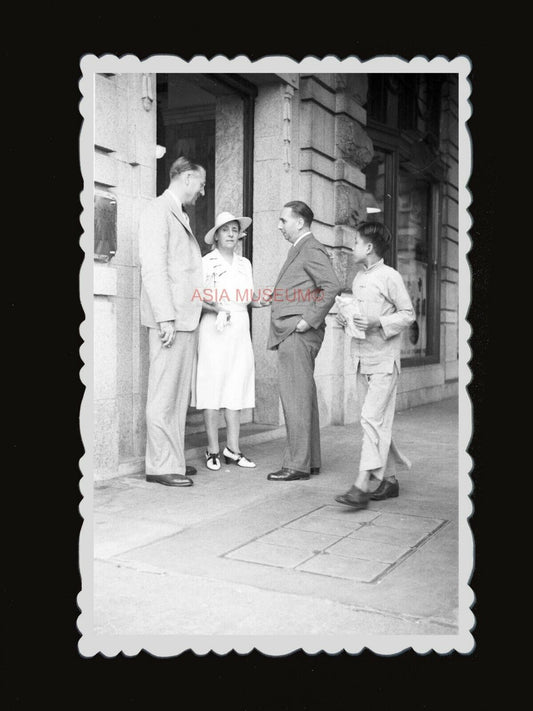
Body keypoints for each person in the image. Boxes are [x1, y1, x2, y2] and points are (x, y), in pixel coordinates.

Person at [335, 221, 415, 510]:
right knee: (376, 422)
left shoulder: (390, 276)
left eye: (356, 242)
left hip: (383, 361)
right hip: (361, 359)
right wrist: (346, 319)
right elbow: (357, 315)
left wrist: (377, 322)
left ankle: (360, 485)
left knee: (370, 419)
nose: (352, 247)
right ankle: (390, 479)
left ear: (368, 248)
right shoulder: (358, 278)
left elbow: (408, 314)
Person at [138, 156, 206, 487]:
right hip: (171, 320)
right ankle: (160, 465)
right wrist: (165, 317)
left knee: (177, 396)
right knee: (165, 393)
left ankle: (172, 459)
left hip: (184, 318)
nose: (203, 192)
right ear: (188, 178)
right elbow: (153, 268)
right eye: (202, 184)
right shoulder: (157, 210)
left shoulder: (178, 213)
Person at [266, 201, 341, 482]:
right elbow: (304, 287)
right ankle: (309, 461)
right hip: (293, 331)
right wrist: (274, 300)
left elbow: (331, 286)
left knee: (296, 399)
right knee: (303, 398)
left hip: (297, 333)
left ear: (299, 222)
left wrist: (307, 320)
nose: (279, 225)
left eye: (283, 220)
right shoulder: (301, 248)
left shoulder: (309, 248)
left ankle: (296, 465)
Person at [195, 212, 270, 471]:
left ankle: (234, 449)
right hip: (214, 327)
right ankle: (212, 449)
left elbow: (247, 298)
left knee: (236, 384)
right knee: (212, 384)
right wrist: (215, 308)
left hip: (239, 327)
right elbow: (196, 298)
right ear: (215, 235)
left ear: (240, 235)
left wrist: (261, 301)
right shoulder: (206, 262)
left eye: (234, 229)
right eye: (225, 229)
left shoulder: (245, 264)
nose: (230, 233)